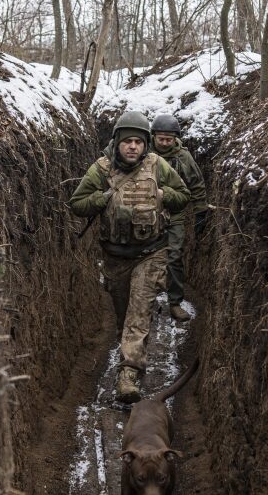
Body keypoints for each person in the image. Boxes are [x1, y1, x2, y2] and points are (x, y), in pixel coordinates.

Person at [68, 110, 191, 403]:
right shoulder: (101, 169)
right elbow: (77, 203)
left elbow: (183, 196)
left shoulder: (158, 165)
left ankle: (129, 375)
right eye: (127, 141)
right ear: (117, 142)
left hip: (152, 253)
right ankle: (130, 351)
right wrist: (101, 199)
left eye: (138, 141)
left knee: (139, 312)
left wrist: (163, 195)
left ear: (145, 144)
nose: (133, 146)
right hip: (115, 257)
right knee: (125, 316)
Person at [150, 114, 208, 322]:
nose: (165, 143)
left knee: (174, 256)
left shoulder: (183, 157)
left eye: (169, 139)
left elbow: (197, 184)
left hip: (174, 213)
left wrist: (200, 211)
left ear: (176, 138)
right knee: (144, 257)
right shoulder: (143, 152)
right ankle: (146, 300)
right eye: (161, 139)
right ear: (153, 136)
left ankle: (175, 302)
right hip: (145, 214)